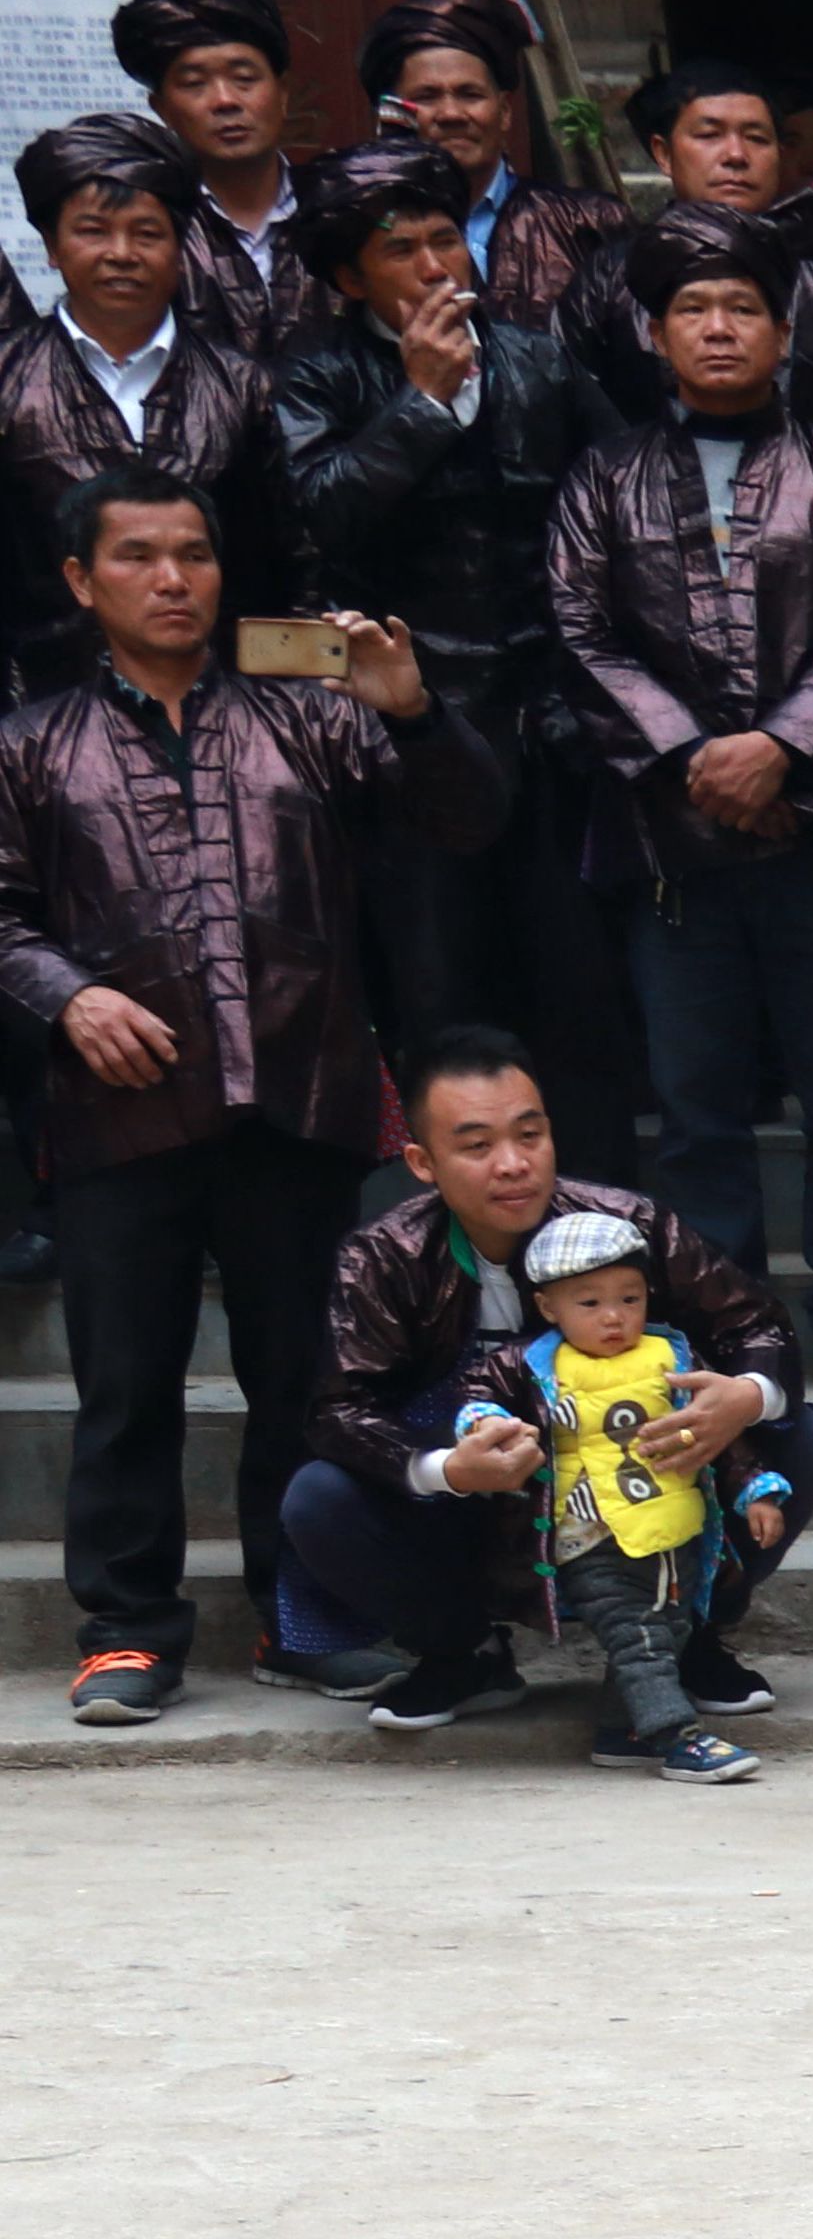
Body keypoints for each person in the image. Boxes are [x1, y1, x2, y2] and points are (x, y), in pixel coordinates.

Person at [0, 476, 494, 1721]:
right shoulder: (29, 742)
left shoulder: (312, 721)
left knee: (307, 1379)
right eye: (139, 557)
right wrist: (64, 996)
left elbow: (469, 824)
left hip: (300, 1089)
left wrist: (419, 714)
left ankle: (302, 1615)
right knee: (126, 1381)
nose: (173, 580)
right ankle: (126, 1627)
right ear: (81, 581)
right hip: (118, 1108)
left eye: (195, 556)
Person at [544, 196, 813, 1406]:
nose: (717, 329)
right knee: (698, 1113)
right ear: (653, 333)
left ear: (783, 329)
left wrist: (781, 750)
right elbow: (583, 634)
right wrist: (702, 756)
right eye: (691, 309)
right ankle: (727, 1319)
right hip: (671, 847)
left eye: (741, 308)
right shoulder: (603, 478)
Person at [289, 1030, 813, 1728]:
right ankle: (463, 1652)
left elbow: (755, 1321)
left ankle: (684, 1636)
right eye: (477, 1146)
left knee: (798, 1439)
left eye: (529, 1134)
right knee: (319, 1497)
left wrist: (742, 1397)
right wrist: (447, 1467)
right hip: (487, 1499)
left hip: (644, 1477)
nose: (513, 1165)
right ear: (423, 1162)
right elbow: (340, 1408)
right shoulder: (383, 1257)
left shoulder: (628, 1224)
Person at [274, 135, 623, 1168]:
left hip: (544, 725)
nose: (436, 269)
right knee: (437, 992)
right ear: (348, 277)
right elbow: (314, 524)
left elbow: (620, 505)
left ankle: (601, 1242)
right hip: (403, 745)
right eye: (403, 253)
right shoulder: (316, 379)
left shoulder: (539, 359)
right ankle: (451, 1249)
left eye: (445, 242)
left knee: (579, 1001)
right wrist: (418, 405)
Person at [457, 1204, 800, 1782]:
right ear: (547, 1307)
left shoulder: (674, 1357)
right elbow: (478, 1392)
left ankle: (624, 1731)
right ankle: (677, 1737)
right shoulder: (530, 1365)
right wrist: (484, 1424)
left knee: (667, 1631)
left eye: (629, 1299)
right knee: (635, 1634)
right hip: (590, 1535)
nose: (613, 1317)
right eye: (589, 1303)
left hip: (677, 1529)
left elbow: (721, 1437)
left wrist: (756, 1490)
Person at [557, 64, 813, 539]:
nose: (735, 156)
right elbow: (561, 437)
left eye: (757, 139)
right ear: (663, 154)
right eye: (709, 135)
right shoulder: (609, 281)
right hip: (650, 563)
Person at [0, 117, 298, 691]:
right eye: (93, 231)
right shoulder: (9, 381)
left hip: (219, 706)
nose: (121, 253)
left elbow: (285, 563)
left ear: (181, 248)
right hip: (43, 708)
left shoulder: (240, 386)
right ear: (52, 248)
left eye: (147, 233)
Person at [359, 0, 624, 335]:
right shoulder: (357, 233)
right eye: (427, 96)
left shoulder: (588, 225)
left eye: (470, 94)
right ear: (391, 114)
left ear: (503, 113)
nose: (451, 113)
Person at [116, 0, 312, 361]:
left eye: (244, 78)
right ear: (162, 110)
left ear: (282, 94)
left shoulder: (335, 208)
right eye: (194, 83)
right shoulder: (145, 231)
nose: (225, 101)